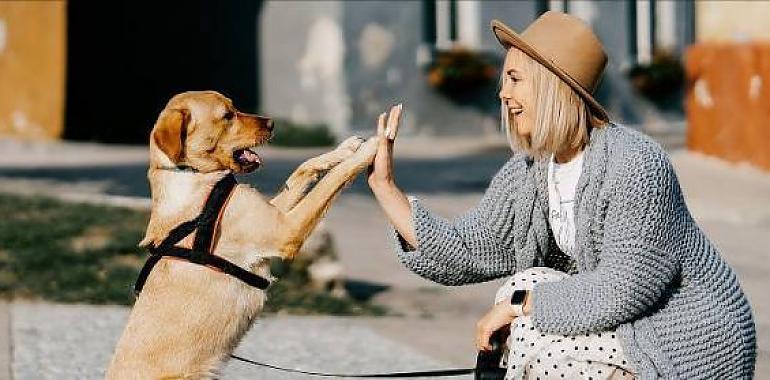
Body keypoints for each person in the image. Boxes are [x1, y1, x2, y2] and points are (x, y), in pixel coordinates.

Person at [367, 11, 756, 379]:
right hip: (630, 323)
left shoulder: (635, 163)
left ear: (553, 84)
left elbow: (623, 287)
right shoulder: (532, 171)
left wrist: (519, 307)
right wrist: (384, 187)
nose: (503, 93)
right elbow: (467, 249)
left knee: (531, 321)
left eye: (515, 79)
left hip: (688, 335)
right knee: (526, 286)